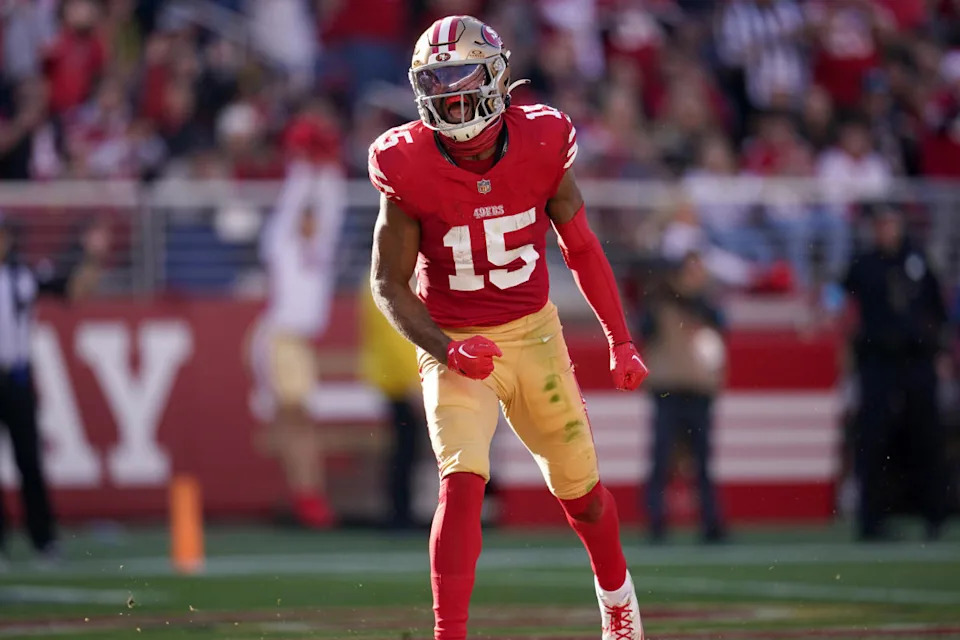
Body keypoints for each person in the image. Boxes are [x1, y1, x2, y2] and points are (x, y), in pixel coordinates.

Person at [368, 16, 649, 640]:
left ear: (495, 76)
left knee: (585, 496)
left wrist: (620, 338)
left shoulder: (543, 138)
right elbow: (388, 283)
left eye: (460, 75)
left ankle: (618, 601)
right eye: (434, 80)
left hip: (535, 335)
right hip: (453, 337)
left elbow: (579, 244)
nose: (448, 93)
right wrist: (445, 348)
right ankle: (450, 634)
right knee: (461, 484)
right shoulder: (405, 161)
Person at [0, 214, 109, 566]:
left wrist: (93, 257)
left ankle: (43, 540)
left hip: (16, 379)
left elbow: (74, 291)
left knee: (29, 462)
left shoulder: (23, 277)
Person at [837, 204, 950, 541]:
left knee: (925, 438)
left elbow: (939, 310)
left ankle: (935, 517)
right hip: (877, 361)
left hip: (917, 360)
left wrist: (940, 351)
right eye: (881, 224)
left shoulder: (918, 260)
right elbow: (838, 298)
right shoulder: (864, 263)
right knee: (873, 439)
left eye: (891, 223)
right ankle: (871, 521)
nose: (886, 230)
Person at [248, 161, 345, 529]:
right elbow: (289, 206)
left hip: (299, 344)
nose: (310, 222)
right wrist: (305, 169)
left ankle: (306, 493)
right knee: (296, 419)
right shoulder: (282, 246)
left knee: (298, 422)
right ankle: (307, 495)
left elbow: (332, 208)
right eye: (305, 216)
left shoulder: (320, 248)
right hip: (280, 340)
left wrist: (327, 169)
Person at [640, 251, 727, 544]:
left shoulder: (705, 305)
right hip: (669, 389)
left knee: (702, 461)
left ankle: (710, 523)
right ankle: (656, 523)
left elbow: (721, 325)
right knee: (662, 459)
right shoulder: (661, 303)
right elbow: (644, 329)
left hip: (699, 390)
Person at [358, 276, 426, 530]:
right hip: (400, 382)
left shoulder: (378, 281)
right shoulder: (388, 282)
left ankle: (402, 510)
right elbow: (396, 338)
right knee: (406, 447)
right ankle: (401, 512)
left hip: (395, 379)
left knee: (406, 446)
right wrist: (412, 382)